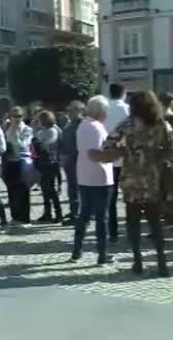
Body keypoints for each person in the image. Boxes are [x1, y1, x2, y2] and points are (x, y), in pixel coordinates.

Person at [90, 91, 172, 277]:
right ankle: (161, 262)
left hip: (131, 178)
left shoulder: (127, 124)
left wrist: (125, 151)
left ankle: (138, 262)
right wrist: (158, 156)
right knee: (155, 223)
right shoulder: (161, 124)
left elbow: (107, 145)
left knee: (133, 222)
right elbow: (171, 147)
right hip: (152, 178)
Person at [67, 96, 115, 265]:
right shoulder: (96, 127)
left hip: (85, 175)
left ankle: (77, 250)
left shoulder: (83, 126)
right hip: (100, 176)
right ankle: (102, 254)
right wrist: (115, 153)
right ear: (100, 111)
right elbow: (95, 154)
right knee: (101, 217)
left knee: (84, 215)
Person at [105, 83, 130, 243]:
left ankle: (113, 231)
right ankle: (131, 226)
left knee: (111, 196)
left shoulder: (104, 109)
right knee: (130, 195)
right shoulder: (128, 110)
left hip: (109, 156)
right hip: (127, 157)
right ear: (124, 93)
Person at [3, 106, 34, 228]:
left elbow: (23, 144)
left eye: (19, 116)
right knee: (11, 189)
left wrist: (15, 132)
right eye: (14, 116)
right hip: (10, 161)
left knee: (23, 190)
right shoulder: (7, 129)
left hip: (23, 160)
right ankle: (15, 216)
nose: (16, 119)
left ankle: (25, 218)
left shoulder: (27, 129)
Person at [33, 110, 63, 223]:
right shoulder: (42, 131)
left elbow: (47, 144)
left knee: (51, 189)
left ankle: (58, 213)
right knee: (44, 189)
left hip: (51, 162)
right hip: (42, 162)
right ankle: (47, 212)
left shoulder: (52, 131)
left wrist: (38, 143)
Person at [59, 100, 84, 225]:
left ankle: (78, 213)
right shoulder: (69, 125)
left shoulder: (82, 125)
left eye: (72, 110)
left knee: (76, 188)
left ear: (79, 111)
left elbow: (79, 145)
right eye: (68, 110)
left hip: (76, 161)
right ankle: (74, 211)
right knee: (72, 188)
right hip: (69, 161)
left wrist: (68, 156)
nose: (69, 112)